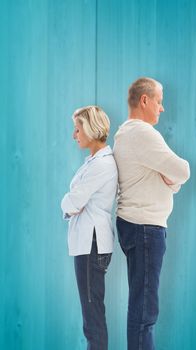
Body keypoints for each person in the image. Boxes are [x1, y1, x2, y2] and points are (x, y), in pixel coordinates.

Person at [113, 77, 190, 350]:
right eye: (159, 100)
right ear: (144, 100)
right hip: (146, 229)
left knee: (141, 308)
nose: (162, 107)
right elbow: (183, 171)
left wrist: (169, 177)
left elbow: (176, 178)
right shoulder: (143, 134)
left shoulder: (126, 133)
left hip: (137, 227)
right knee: (145, 313)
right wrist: (169, 177)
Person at [61, 106, 118, 350]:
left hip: (91, 244)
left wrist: (68, 202)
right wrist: (71, 202)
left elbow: (72, 201)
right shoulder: (95, 161)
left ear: (91, 129)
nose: (74, 134)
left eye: (77, 128)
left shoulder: (101, 165)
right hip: (89, 244)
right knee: (92, 314)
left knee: (92, 318)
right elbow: (73, 203)